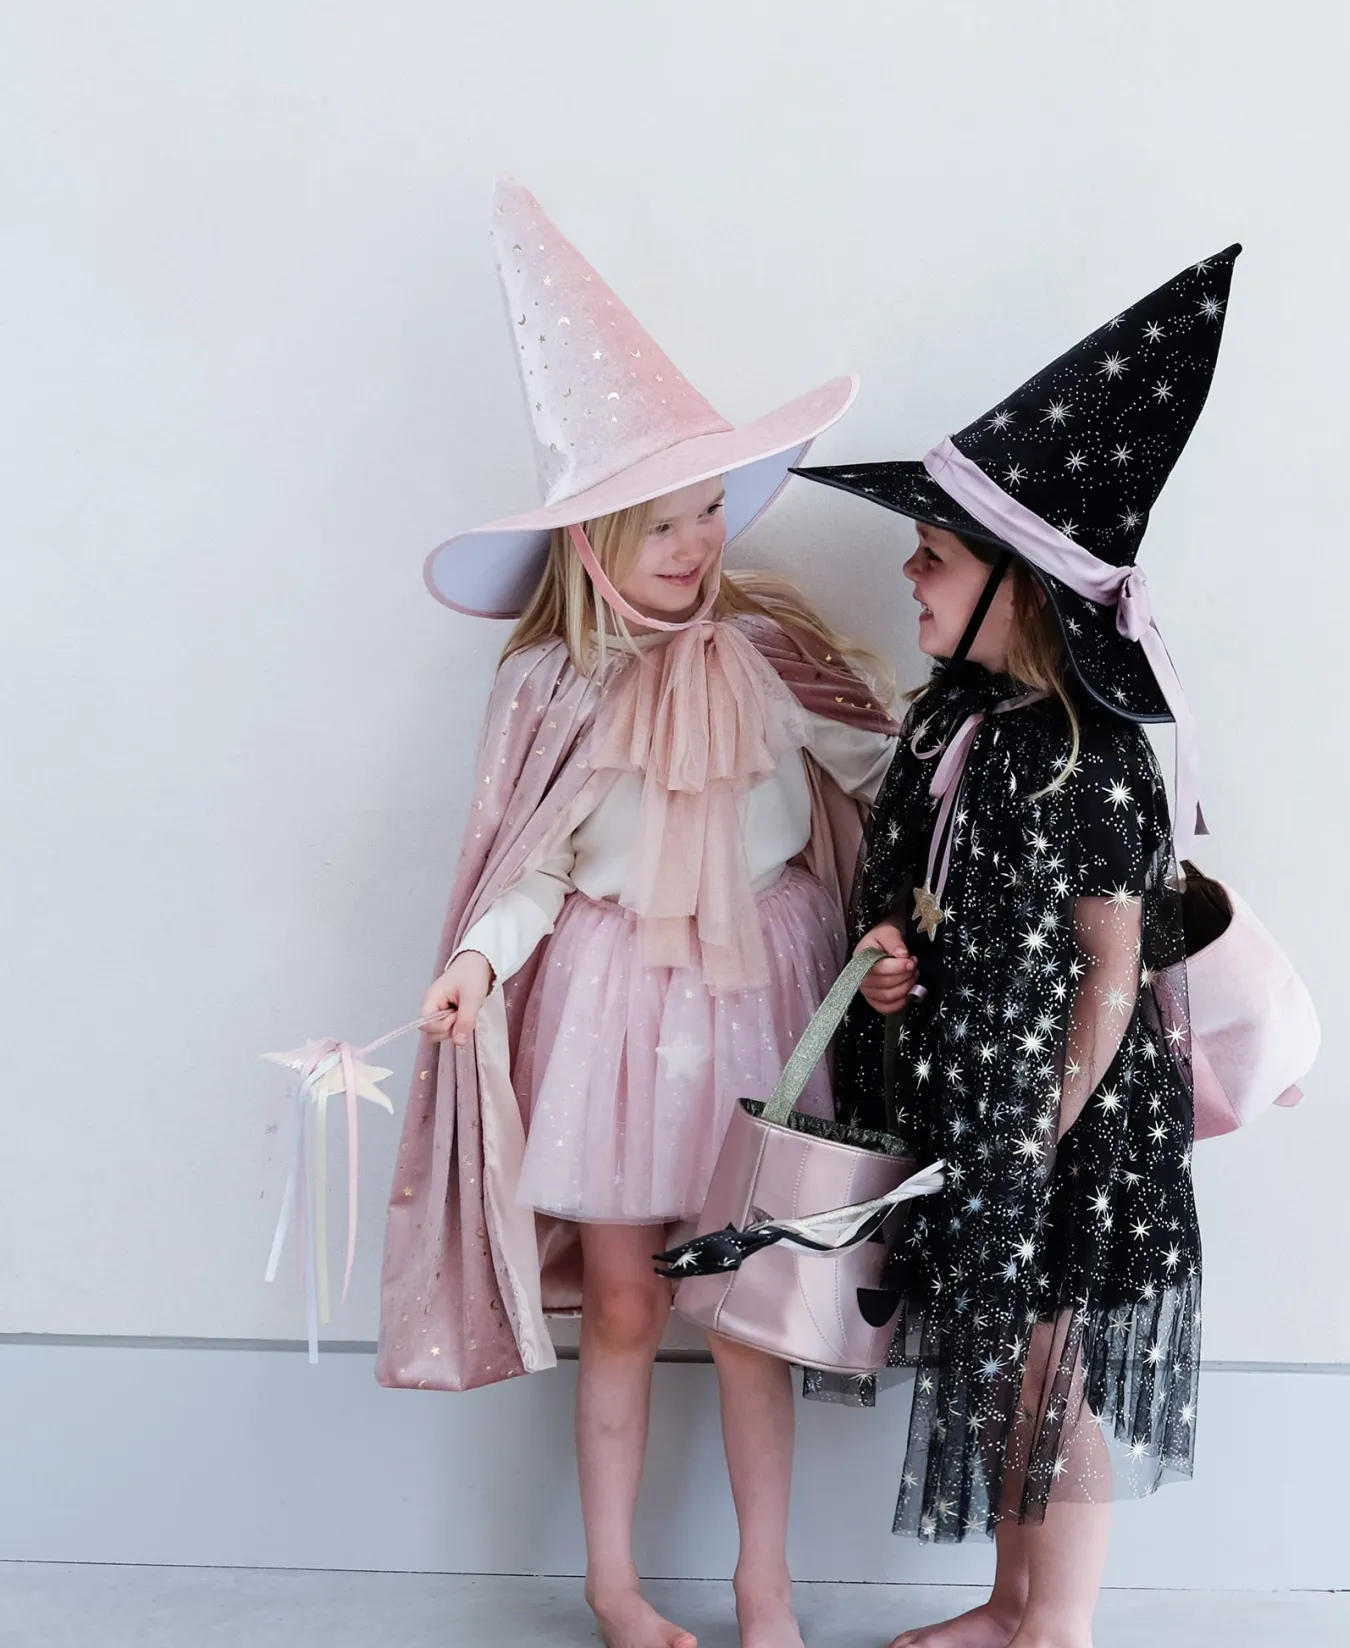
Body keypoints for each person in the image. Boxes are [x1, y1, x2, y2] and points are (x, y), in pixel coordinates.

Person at [377, 178, 896, 1648]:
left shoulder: (773, 651)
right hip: (614, 1012)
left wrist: (935, 882)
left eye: (706, 512)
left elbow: (886, 778)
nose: (692, 543)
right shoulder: (554, 688)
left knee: (750, 1313)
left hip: (768, 999)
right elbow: (531, 866)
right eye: (657, 523)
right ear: (591, 542)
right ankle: (613, 1582)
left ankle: (764, 1586)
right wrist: (478, 965)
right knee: (622, 1302)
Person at [791, 246, 1242, 1648]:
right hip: (968, 1095)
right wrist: (891, 962)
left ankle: (1063, 1625)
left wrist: (1036, 1134)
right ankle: (1006, 1603)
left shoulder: (1087, 755)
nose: (908, 572)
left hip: (1060, 1121)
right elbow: (914, 889)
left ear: (1021, 588)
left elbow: (1112, 967)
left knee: (1048, 1371)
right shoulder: (949, 724)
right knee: (996, 1359)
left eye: (934, 556)